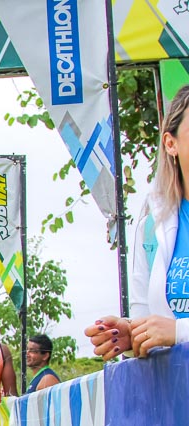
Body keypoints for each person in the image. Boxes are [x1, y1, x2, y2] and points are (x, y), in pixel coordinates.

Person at [85, 85, 189, 359]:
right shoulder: (153, 223)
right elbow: (150, 318)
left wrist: (179, 331)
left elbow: (172, 330)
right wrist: (132, 334)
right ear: (170, 143)